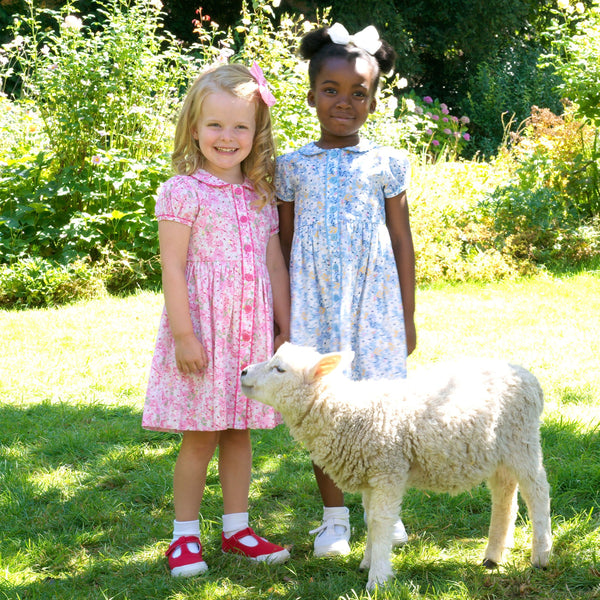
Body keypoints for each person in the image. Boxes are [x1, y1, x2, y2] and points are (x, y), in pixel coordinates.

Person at [143, 62, 291, 577]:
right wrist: (185, 335)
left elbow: (273, 263)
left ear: (257, 132)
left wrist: (284, 326)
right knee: (200, 435)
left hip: (249, 333)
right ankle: (184, 536)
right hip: (204, 333)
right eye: (215, 125)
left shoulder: (261, 195)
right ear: (193, 127)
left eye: (240, 126)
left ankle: (236, 528)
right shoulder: (182, 192)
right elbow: (173, 266)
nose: (227, 137)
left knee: (239, 433)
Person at [276, 23, 417, 557]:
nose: (344, 102)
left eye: (359, 93)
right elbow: (284, 245)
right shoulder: (291, 167)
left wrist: (407, 316)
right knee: (324, 410)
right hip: (312, 302)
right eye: (331, 91)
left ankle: (386, 512)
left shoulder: (387, 163)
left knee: (381, 411)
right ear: (312, 95)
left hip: (374, 303)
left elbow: (402, 242)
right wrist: (283, 315)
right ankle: (334, 520)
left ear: (375, 101)